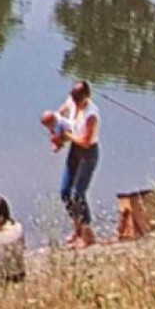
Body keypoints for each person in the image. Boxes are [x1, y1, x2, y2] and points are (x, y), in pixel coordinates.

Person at [42, 79, 100, 248]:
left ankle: (88, 235)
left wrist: (67, 136)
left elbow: (86, 141)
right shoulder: (72, 101)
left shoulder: (92, 115)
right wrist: (55, 123)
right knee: (65, 191)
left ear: (86, 97)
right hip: (75, 150)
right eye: (74, 99)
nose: (75, 103)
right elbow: (61, 110)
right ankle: (77, 229)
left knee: (78, 194)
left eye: (78, 100)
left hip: (88, 153)